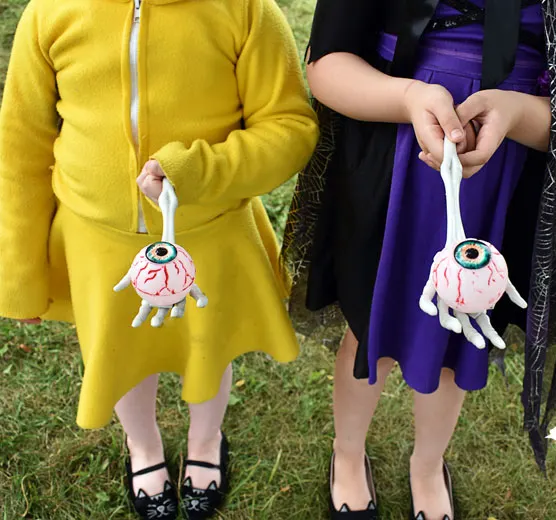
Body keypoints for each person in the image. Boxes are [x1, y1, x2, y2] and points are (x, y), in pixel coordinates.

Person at [281, 0, 556, 518]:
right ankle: (347, 452)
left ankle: (427, 465)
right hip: (389, 148)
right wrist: (407, 96)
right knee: (368, 323)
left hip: (508, 170)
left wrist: (518, 112)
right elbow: (327, 64)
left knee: (463, 328)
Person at [0, 0, 318, 518]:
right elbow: (20, 147)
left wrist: (196, 171)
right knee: (120, 353)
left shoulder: (245, 10)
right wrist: (17, 273)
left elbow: (288, 126)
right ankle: (143, 448)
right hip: (97, 239)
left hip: (208, 232)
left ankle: (206, 440)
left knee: (208, 347)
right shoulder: (49, 12)